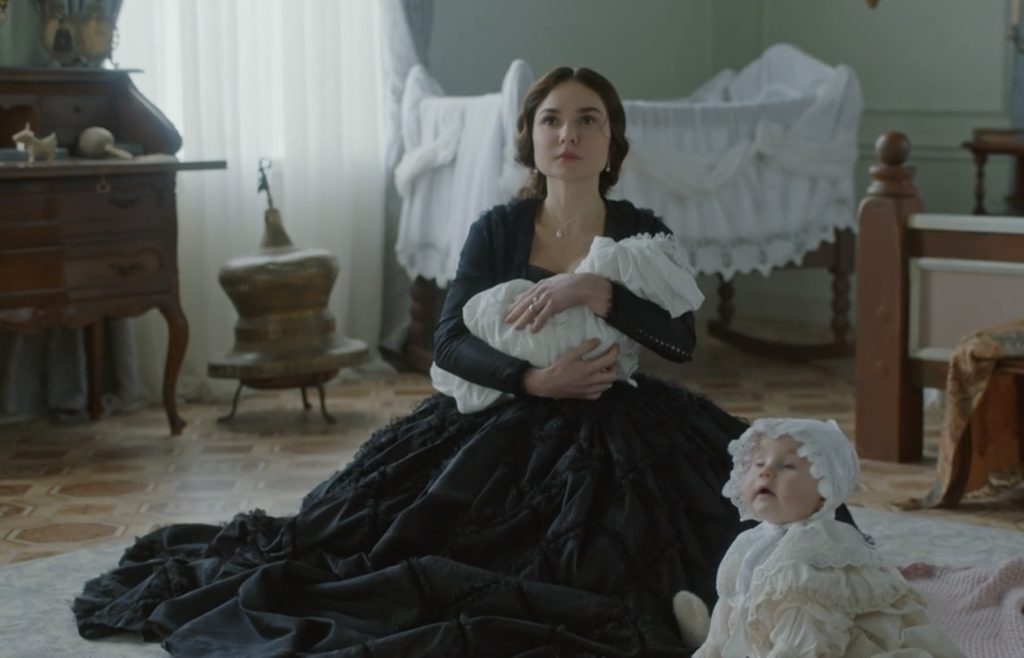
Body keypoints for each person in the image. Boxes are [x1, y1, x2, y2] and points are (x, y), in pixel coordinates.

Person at [73, 66, 851, 657]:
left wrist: (598, 291)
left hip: (619, 410)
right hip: (506, 412)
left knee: (718, 509)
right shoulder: (498, 229)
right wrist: (534, 379)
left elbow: (680, 341)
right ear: (531, 139)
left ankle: (716, 606)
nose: (568, 134)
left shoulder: (640, 228)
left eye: (588, 120)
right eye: (551, 120)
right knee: (411, 544)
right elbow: (448, 342)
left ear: (613, 141)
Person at [674, 418, 964, 658]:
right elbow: (735, 600)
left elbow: (807, 641)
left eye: (788, 466)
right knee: (728, 619)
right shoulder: (751, 542)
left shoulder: (813, 556)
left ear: (825, 491)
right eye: (758, 463)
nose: (767, 472)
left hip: (822, 647)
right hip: (776, 637)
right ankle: (709, 641)